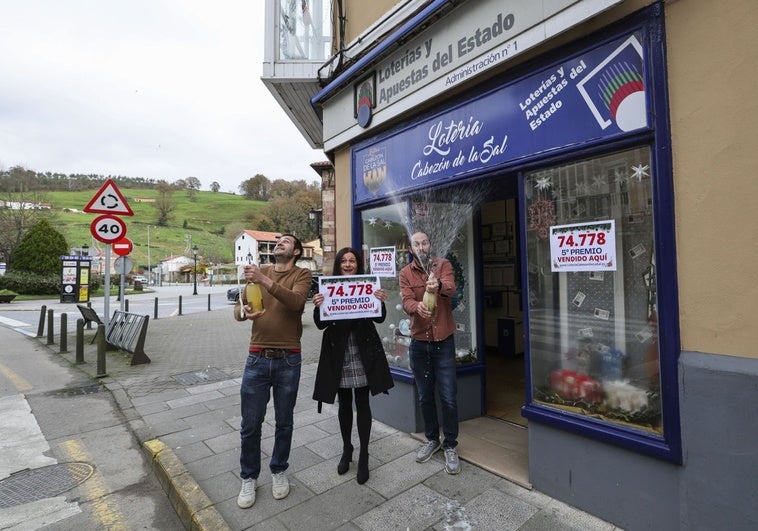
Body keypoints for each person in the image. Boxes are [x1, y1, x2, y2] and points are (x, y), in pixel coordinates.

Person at [233, 234, 312, 509]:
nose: (279, 242)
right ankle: (248, 476)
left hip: (289, 358)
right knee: (250, 424)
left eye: (286, 241)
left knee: (284, 421)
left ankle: (278, 470)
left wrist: (264, 280)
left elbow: (297, 302)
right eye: (277, 240)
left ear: (297, 251)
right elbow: (238, 309)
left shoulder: (302, 274)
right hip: (256, 357)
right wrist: (243, 312)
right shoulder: (259, 273)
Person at [312, 247, 394, 485]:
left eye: (353, 261)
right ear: (339, 264)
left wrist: (380, 301)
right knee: (344, 405)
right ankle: (347, 449)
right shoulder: (327, 287)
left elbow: (378, 318)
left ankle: (365, 455)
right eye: (344, 261)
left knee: (363, 403)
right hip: (338, 353)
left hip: (362, 351)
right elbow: (319, 324)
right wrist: (318, 305)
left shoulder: (368, 285)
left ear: (358, 265)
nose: (348, 264)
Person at [399, 231, 461, 474]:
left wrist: (440, 285)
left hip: (443, 341)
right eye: (417, 243)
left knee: (448, 396)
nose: (422, 246)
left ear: (430, 245)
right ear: (411, 248)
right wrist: (417, 308)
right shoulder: (405, 273)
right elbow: (405, 301)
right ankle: (432, 439)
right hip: (419, 343)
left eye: (425, 242)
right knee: (425, 396)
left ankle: (451, 445)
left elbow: (452, 289)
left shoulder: (442, 265)